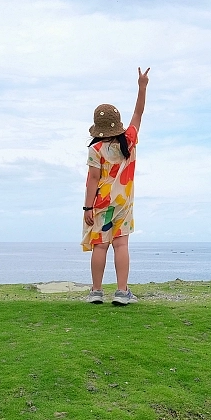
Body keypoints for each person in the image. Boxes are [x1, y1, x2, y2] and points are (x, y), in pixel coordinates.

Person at [82, 67, 149, 305]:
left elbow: (92, 179)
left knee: (100, 246)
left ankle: (96, 291)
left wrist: (87, 208)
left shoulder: (95, 150)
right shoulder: (128, 141)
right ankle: (122, 292)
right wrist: (142, 87)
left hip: (100, 202)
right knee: (121, 244)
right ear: (117, 124)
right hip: (123, 202)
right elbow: (138, 114)